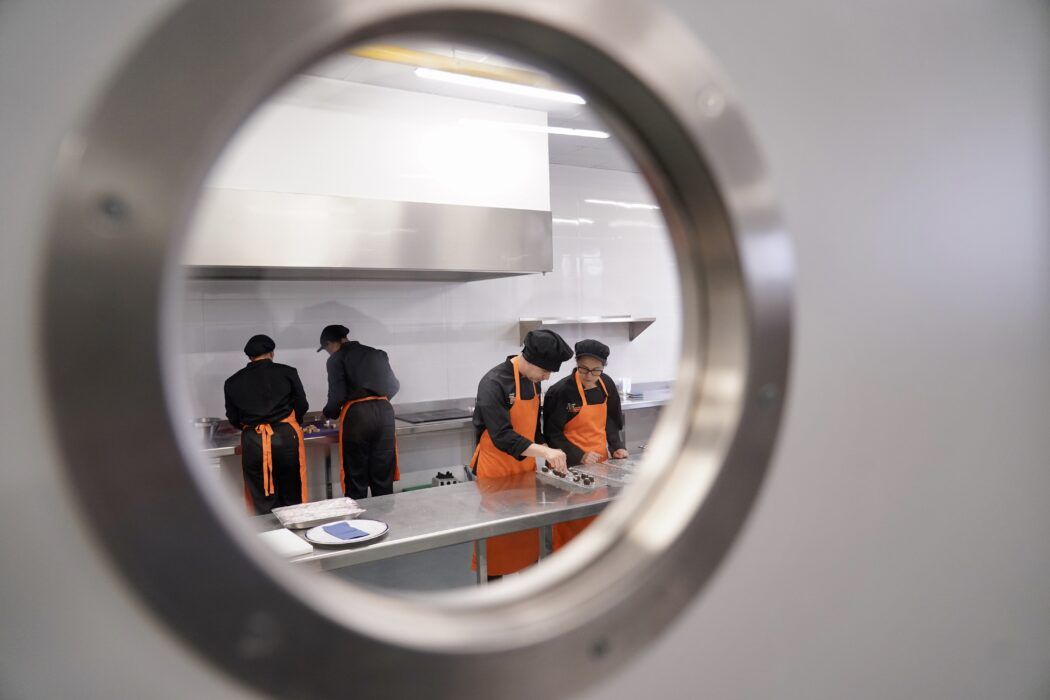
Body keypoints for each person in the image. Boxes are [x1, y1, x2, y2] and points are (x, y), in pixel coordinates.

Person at [470, 329, 573, 579]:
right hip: (495, 473)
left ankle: (528, 592)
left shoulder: (532, 382)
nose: (547, 377)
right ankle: (493, 594)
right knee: (497, 542)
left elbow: (532, 429)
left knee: (527, 536)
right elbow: (502, 436)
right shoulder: (494, 382)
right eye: (545, 371)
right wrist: (544, 451)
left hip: (524, 470)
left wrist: (548, 453)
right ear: (529, 358)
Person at [542, 339, 628, 549]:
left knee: (597, 520)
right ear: (576, 364)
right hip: (567, 466)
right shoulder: (561, 391)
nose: (589, 376)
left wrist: (616, 446)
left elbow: (611, 420)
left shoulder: (606, 384)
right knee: (571, 523)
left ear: (603, 367)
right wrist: (579, 455)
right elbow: (552, 434)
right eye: (584, 369)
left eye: (596, 370)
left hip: (600, 465)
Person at [223, 334, 309, 514]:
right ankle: (295, 530)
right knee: (292, 493)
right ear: (272, 353)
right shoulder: (288, 372)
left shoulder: (232, 381)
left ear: (249, 357)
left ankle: (267, 531)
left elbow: (233, 417)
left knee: (261, 497)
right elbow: (302, 405)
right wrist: (292, 422)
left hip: (254, 441)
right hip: (286, 438)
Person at [319, 324, 400, 499]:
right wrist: (378, 401)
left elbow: (337, 396)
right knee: (382, 473)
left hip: (358, 417)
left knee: (356, 476)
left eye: (326, 349)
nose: (328, 353)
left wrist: (328, 413)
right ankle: (385, 515)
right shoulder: (377, 353)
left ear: (330, 343)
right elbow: (394, 386)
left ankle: (359, 515)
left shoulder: (336, 359)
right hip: (385, 414)